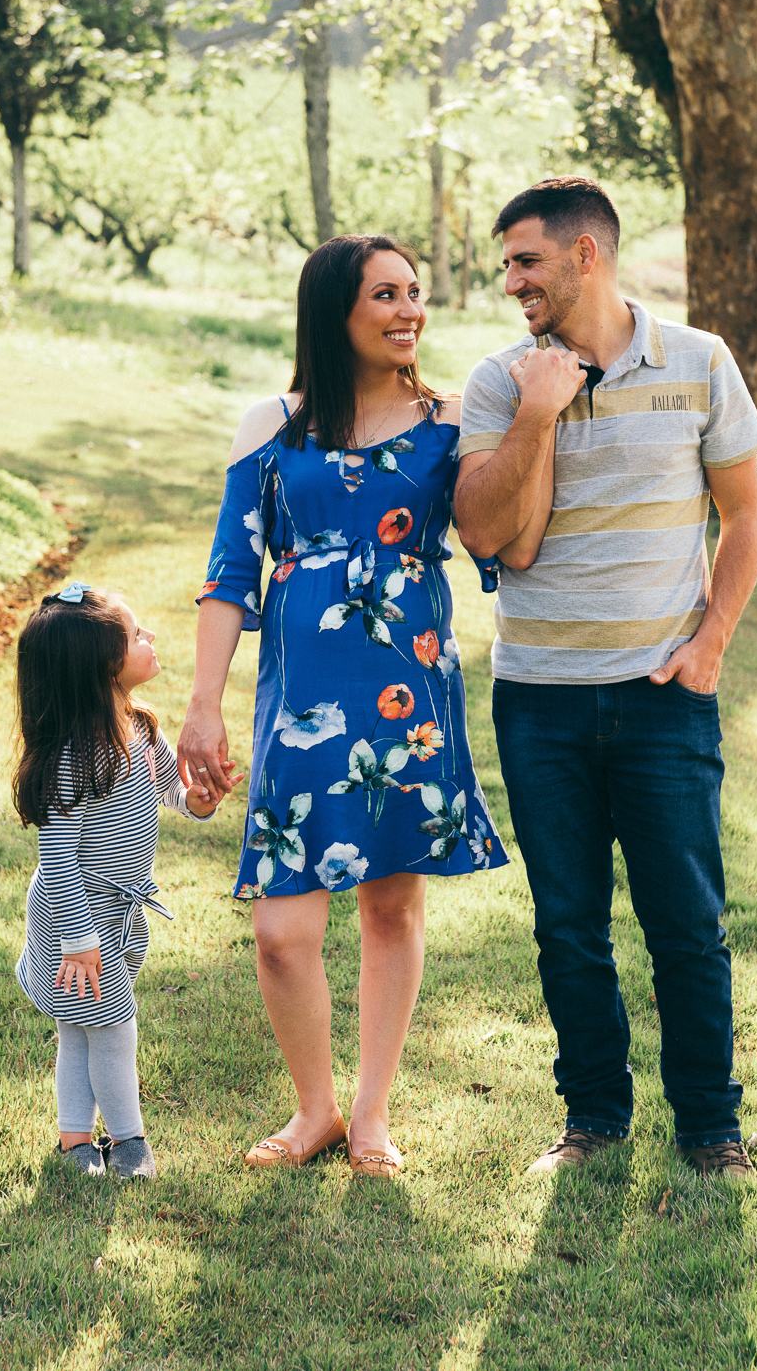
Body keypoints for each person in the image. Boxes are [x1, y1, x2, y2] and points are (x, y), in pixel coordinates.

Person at [453, 176, 757, 1180]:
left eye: (526, 261)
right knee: (568, 923)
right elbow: (488, 531)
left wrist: (712, 639)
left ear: (585, 255)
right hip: (538, 697)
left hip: (663, 695)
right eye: (506, 264)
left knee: (686, 920)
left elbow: (747, 516)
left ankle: (711, 1130)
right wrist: (539, 416)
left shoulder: (701, 361)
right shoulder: (502, 379)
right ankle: (592, 1118)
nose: (512, 281)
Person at [178, 233, 511, 1179]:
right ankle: (313, 1108)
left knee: (390, 907)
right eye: (386, 295)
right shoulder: (273, 425)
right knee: (283, 930)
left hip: (409, 693)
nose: (410, 310)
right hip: (301, 709)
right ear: (336, 312)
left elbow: (501, 539)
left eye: (415, 293)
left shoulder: (454, 421)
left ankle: (368, 1115)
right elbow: (229, 574)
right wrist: (203, 703)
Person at [13, 581, 219, 1180]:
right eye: (136, 635)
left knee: (81, 1032)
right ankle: (129, 1142)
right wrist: (78, 941)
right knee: (113, 1030)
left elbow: (167, 794)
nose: (150, 637)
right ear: (104, 665)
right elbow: (58, 863)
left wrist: (197, 800)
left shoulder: (137, 729)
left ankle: (76, 1143)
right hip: (73, 924)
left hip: (116, 920)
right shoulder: (73, 759)